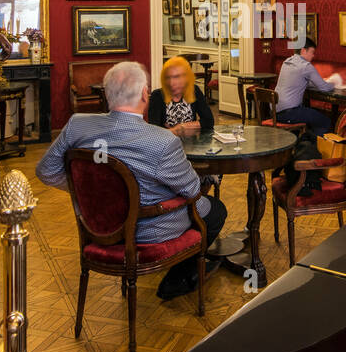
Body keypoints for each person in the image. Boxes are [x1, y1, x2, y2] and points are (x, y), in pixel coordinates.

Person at [36, 61, 225, 300]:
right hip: (149, 231)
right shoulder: (162, 141)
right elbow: (192, 190)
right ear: (145, 95)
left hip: (98, 225)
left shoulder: (77, 126)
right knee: (216, 210)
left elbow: (46, 171)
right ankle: (179, 277)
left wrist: (92, 196)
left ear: (106, 93)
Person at [274, 37, 341, 136]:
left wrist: (319, 83)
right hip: (290, 113)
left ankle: (305, 142)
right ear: (303, 51)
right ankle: (315, 149)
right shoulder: (306, 66)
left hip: (275, 112)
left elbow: (299, 82)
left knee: (311, 116)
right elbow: (325, 88)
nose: (313, 55)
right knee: (325, 121)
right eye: (312, 52)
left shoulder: (287, 62)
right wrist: (335, 82)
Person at [147, 56, 214, 136]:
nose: (172, 83)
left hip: (191, 145)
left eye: (176, 77)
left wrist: (181, 127)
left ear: (186, 77)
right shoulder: (157, 96)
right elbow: (154, 131)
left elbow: (209, 121)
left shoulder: (194, 91)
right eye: (168, 78)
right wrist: (178, 130)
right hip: (167, 145)